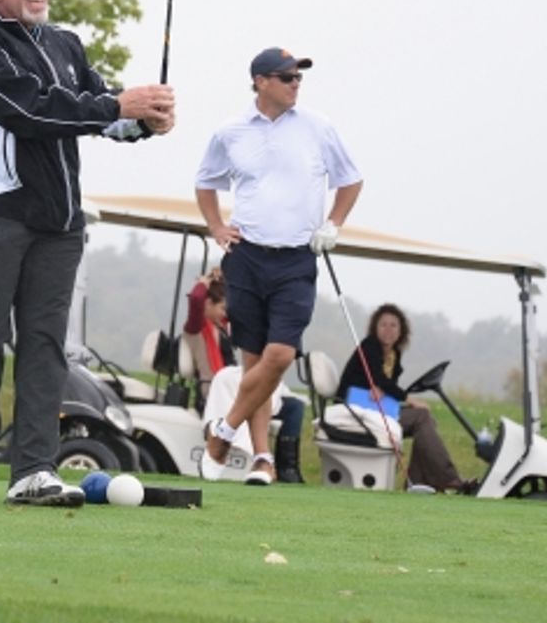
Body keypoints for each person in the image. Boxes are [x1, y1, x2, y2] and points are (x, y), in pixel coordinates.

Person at [0, 0, 175, 506]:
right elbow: (30, 110)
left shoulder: (66, 44)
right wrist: (118, 106)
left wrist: (142, 119)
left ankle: (32, 472)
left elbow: (95, 110)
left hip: (59, 222)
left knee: (45, 346)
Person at [195, 46, 362, 484]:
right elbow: (205, 182)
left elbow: (351, 178)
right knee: (255, 365)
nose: (295, 85)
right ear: (261, 82)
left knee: (281, 354)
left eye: (298, 78)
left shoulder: (317, 126)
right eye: (287, 78)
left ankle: (223, 431)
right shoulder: (230, 131)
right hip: (246, 256)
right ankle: (262, 459)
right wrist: (216, 226)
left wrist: (334, 224)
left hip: (296, 259)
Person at [183, 267, 307, 483]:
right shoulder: (196, 329)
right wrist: (205, 282)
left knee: (294, 406)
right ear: (208, 305)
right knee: (239, 379)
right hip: (215, 386)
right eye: (222, 307)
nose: (225, 313)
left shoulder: (226, 330)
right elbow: (195, 299)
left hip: (238, 382)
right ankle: (233, 443)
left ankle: (287, 469)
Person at [338, 303, 477, 493]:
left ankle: (421, 483)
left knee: (424, 419)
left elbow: (384, 385)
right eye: (383, 325)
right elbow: (377, 379)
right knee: (421, 417)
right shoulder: (369, 346)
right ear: (375, 328)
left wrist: (384, 390)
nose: (388, 330)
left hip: (377, 409)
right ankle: (450, 480)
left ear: (401, 330)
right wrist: (407, 398)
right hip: (357, 409)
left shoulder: (394, 354)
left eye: (393, 325)